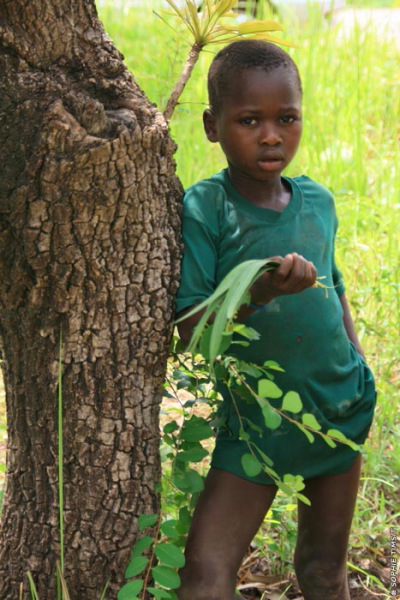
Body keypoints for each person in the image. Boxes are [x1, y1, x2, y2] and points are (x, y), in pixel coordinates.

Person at [175, 39, 376, 600]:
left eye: (287, 118)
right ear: (213, 126)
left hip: (335, 411)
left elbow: (334, 292)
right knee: (204, 574)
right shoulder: (206, 208)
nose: (271, 135)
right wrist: (258, 292)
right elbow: (192, 327)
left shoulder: (319, 202)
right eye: (249, 120)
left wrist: (359, 368)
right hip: (256, 421)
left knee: (322, 570)